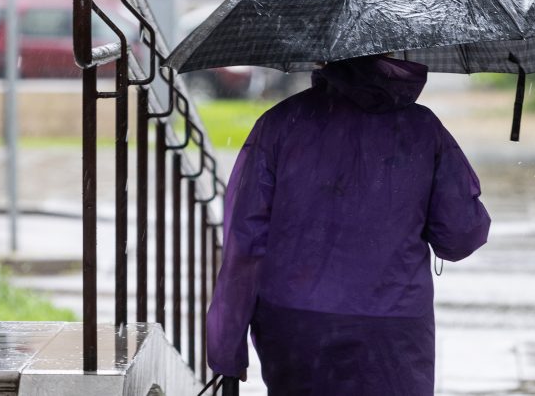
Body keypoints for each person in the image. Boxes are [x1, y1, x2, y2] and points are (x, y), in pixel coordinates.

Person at [207, 54, 491, 395]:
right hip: (392, 327)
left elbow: (245, 244)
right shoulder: (424, 129)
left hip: (295, 327)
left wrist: (227, 349)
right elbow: (459, 236)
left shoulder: (281, 122)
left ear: (326, 55)